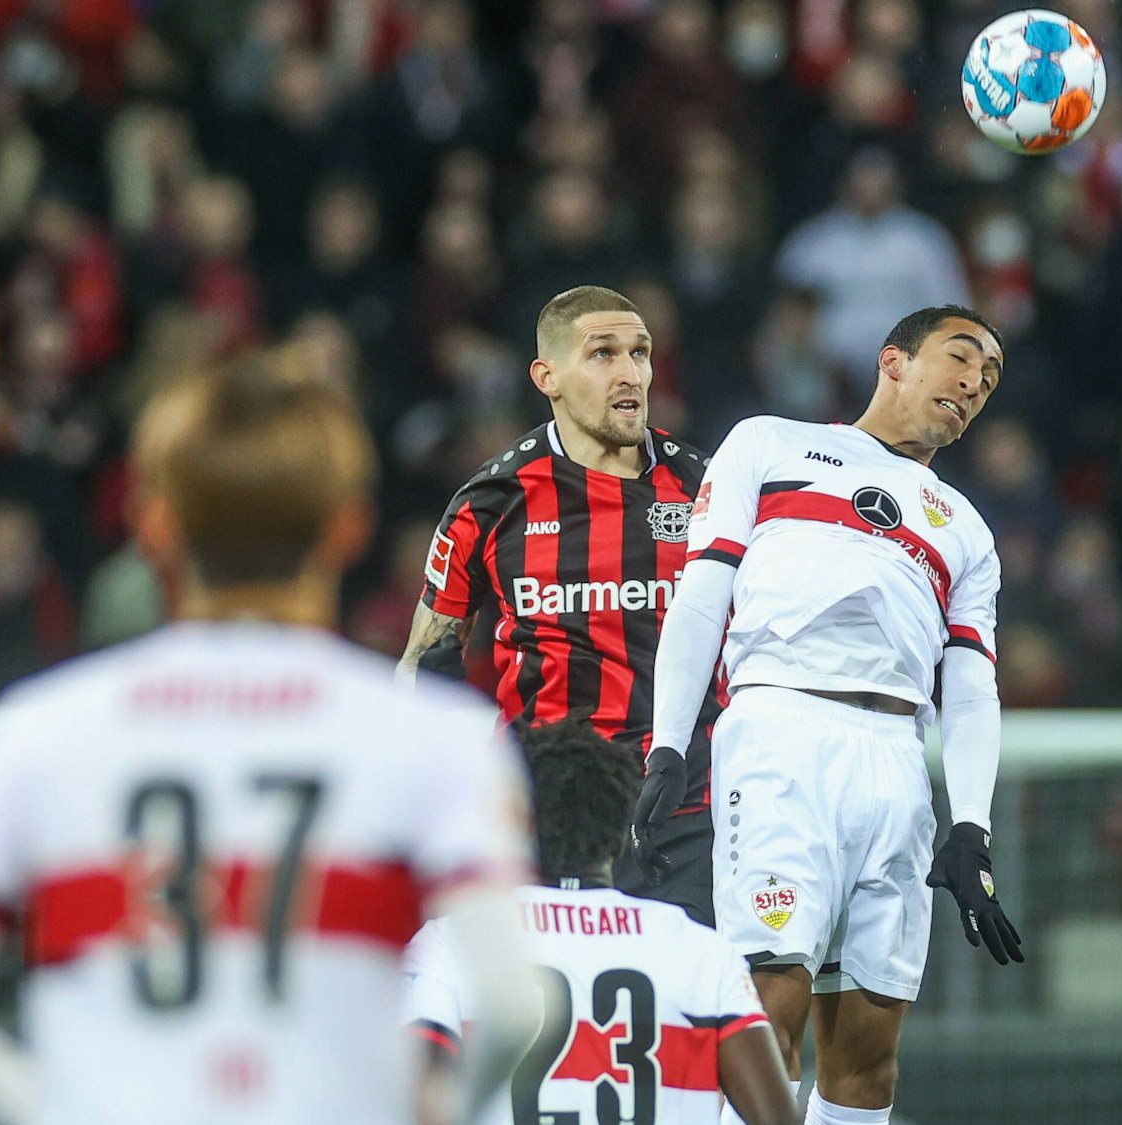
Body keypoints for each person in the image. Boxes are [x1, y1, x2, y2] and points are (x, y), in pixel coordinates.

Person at [0, 353, 539, 1124]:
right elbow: (512, 1002)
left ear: (154, 524)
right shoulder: (437, 736)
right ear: (349, 528)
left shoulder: (40, 729)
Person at [636, 305, 1025, 1125]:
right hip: (781, 732)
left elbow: (971, 685)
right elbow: (702, 593)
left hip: (896, 762)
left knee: (869, 1053)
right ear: (893, 360)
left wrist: (973, 827)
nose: (974, 383)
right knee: (764, 1011)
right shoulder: (768, 443)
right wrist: (669, 743)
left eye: (989, 378)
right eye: (961, 358)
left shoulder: (968, 532)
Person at [397, 284, 718, 924]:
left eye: (641, 353)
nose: (631, 373)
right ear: (548, 377)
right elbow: (419, 664)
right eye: (603, 354)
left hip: (689, 813)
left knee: (689, 1016)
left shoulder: (705, 489)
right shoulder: (492, 501)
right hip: (548, 813)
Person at [403, 719, 799, 1125]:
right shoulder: (701, 950)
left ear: (518, 824)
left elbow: (410, 1099)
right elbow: (777, 1119)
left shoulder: (452, 941)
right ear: (621, 833)